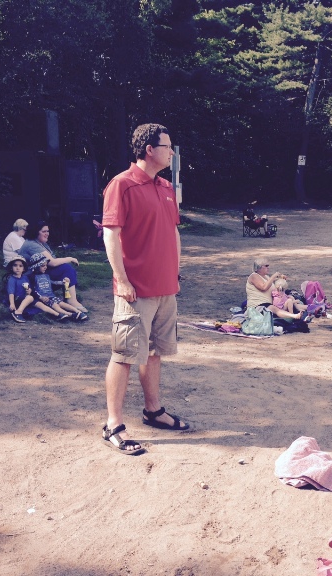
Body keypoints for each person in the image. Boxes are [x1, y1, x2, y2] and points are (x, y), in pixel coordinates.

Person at [101, 123, 188, 456]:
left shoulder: (165, 186)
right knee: (124, 356)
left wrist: (175, 273)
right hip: (135, 290)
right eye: (167, 146)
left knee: (154, 353)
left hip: (166, 289)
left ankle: (153, 411)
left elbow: (173, 232)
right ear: (149, 149)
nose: (171, 151)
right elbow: (111, 234)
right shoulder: (121, 185)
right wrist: (121, 280)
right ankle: (113, 425)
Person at [18, 221, 88, 313]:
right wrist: (70, 258)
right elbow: (52, 262)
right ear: (36, 232)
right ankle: (71, 300)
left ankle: (70, 298)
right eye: (44, 231)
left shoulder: (41, 243)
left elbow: (52, 260)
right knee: (67, 268)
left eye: (48, 231)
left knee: (68, 270)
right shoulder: (32, 244)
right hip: (30, 278)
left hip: (39, 274)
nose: (47, 234)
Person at [4, 255, 69, 323]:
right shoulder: (12, 279)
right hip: (16, 299)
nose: (18, 268)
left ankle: (57, 314)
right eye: (15, 265)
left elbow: (30, 288)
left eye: (20, 266)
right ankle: (18, 312)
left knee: (41, 305)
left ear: (23, 269)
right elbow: (11, 292)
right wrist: (12, 304)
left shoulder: (25, 278)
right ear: (11, 267)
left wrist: (29, 291)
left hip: (25, 298)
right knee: (30, 298)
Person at [27, 253, 88, 321]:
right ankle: (69, 314)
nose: (45, 267)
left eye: (46, 265)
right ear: (36, 267)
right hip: (43, 298)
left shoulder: (46, 275)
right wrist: (40, 297)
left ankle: (78, 312)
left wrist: (63, 282)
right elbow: (33, 289)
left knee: (62, 303)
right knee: (55, 305)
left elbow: (52, 282)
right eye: (42, 266)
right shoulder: (32, 277)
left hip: (51, 296)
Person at [247, 260, 311, 322]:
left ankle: (313, 309)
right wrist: (273, 276)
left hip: (270, 303)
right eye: (266, 266)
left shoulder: (265, 277)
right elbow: (264, 287)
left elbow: (274, 286)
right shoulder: (254, 276)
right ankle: (295, 316)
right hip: (258, 305)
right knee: (275, 309)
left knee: (291, 301)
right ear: (259, 267)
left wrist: (281, 279)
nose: (268, 267)